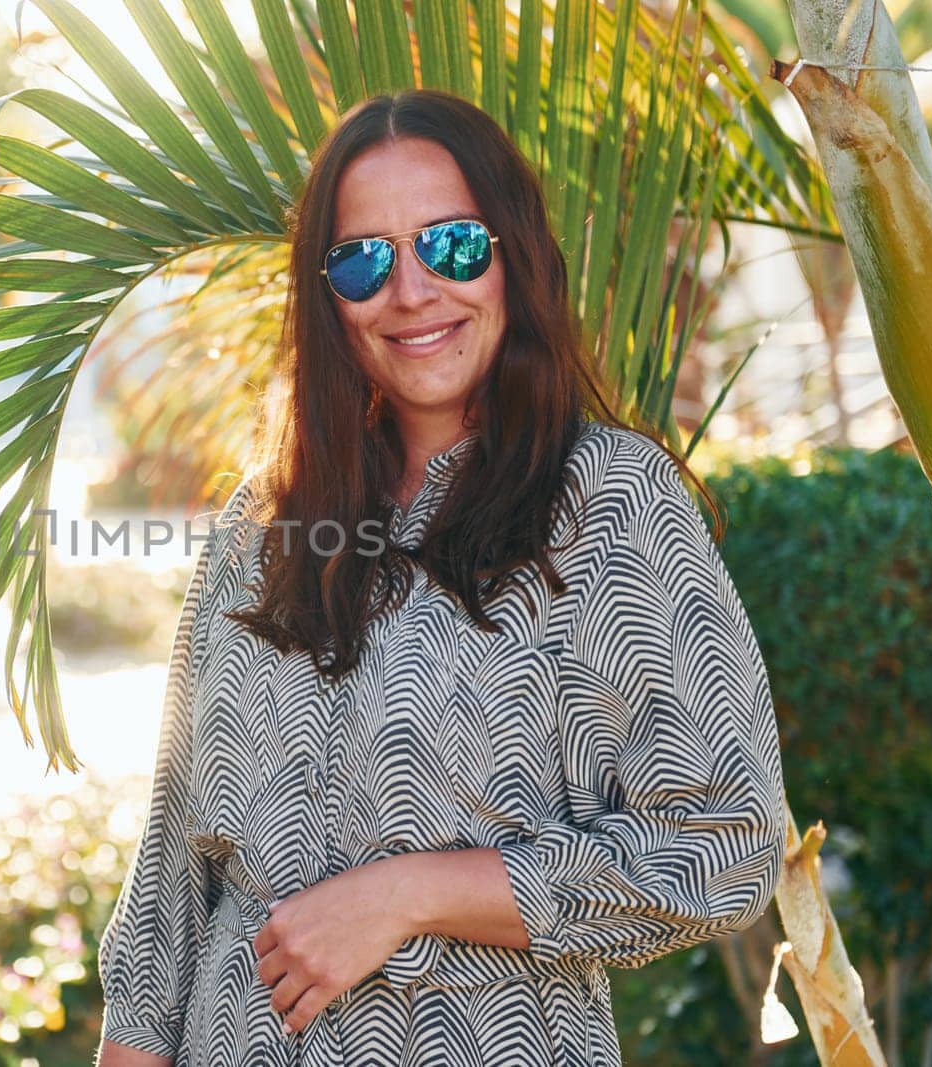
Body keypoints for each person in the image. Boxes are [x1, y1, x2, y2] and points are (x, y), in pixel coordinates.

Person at [93, 89, 788, 1067]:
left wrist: (410, 892)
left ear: (513, 256)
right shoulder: (262, 519)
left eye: (451, 245)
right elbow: (172, 865)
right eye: (363, 260)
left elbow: (725, 842)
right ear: (327, 295)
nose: (411, 291)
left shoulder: (610, 499)